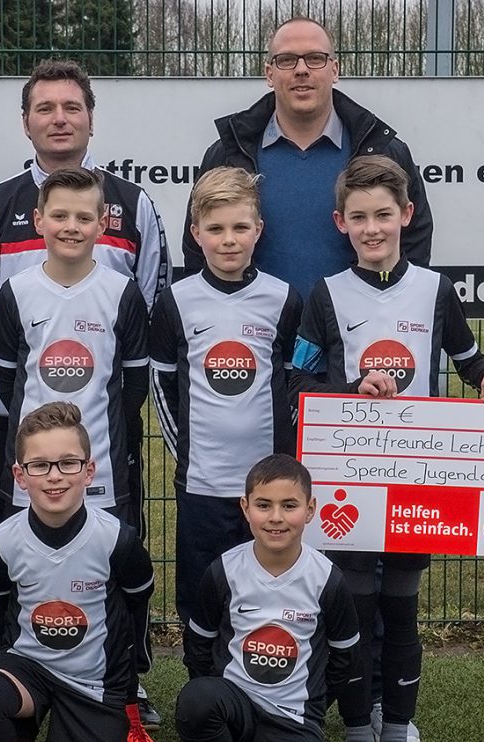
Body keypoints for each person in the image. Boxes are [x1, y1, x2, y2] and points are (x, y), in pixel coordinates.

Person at [288, 156, 484, 742]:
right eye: (359, 217)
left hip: (418, 476)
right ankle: (359, 724)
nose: (372, 228)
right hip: (349, 480)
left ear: (406, 216)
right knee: (357, 608)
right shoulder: (326, 294)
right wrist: (352, 391)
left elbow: (467, 359)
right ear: (341, 223)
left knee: (402, 606)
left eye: (383, 215)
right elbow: (298, 382)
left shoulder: (435, 290)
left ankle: (399, 722)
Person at [0, 57, 168, 549]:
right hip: (22, 406)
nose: (59, 118)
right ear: (26, 121)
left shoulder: (133, 204)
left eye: (72, 106)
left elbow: (152, 294)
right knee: (18, 544)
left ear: (91, 117)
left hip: (107, 412)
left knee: (115, 547)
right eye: (44, 108)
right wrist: (28, 354)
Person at [182, 16, 433, 305]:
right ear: (269, 73)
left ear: (335, 70)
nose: (301, 70)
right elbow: (196, 249)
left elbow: (414, 242)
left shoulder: (383, 151)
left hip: (355, 339)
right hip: (257, 340)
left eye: (315, 58)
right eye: (287, 60)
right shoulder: (227, 154)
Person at [148, 167, 302, 629]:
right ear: (196, 234)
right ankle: (204, 685)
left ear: (259, 229)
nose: (228, 240)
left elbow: (295, 384)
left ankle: (259, 683)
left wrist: (285, 462)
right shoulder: (176, 301)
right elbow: (162, 386)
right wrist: (189, 456)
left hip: (267, 488)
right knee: (203, 593)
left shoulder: (283, 299)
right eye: (215, 229)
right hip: (203, 483)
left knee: (266, 589)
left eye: (239, 227)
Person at [0, 402, 155, 742]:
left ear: (89, 471)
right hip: (27, 669)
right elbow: (2, 609)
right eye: (39, 465)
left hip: (94, 680)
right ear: (20, 476)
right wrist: (0, 666)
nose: (54, 476)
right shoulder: (0, 544)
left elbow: (136, 610)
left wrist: (128, 686)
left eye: (68, 463)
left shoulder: (118, 541)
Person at [0, 167, 149, 527]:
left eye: (84, 217)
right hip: (32, 472)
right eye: (59, 216)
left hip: (102, 471)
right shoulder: (15, 292)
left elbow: (134, 387)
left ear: (102, 223)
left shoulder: (123, 293)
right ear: (38, 220)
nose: (71, 226)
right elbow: (7, 382)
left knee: (106, 571)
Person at [177, 454, 372, 742]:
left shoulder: (327, 579)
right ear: (245, 508)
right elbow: (198, 647)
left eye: (289, 505)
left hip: (293, 717)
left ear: (310, 509)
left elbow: (345, 658)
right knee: (197, 700)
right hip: (235, 707)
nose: (276, 517)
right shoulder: (224, 571)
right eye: (263, 505)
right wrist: (217, 692)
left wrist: (314, 703)